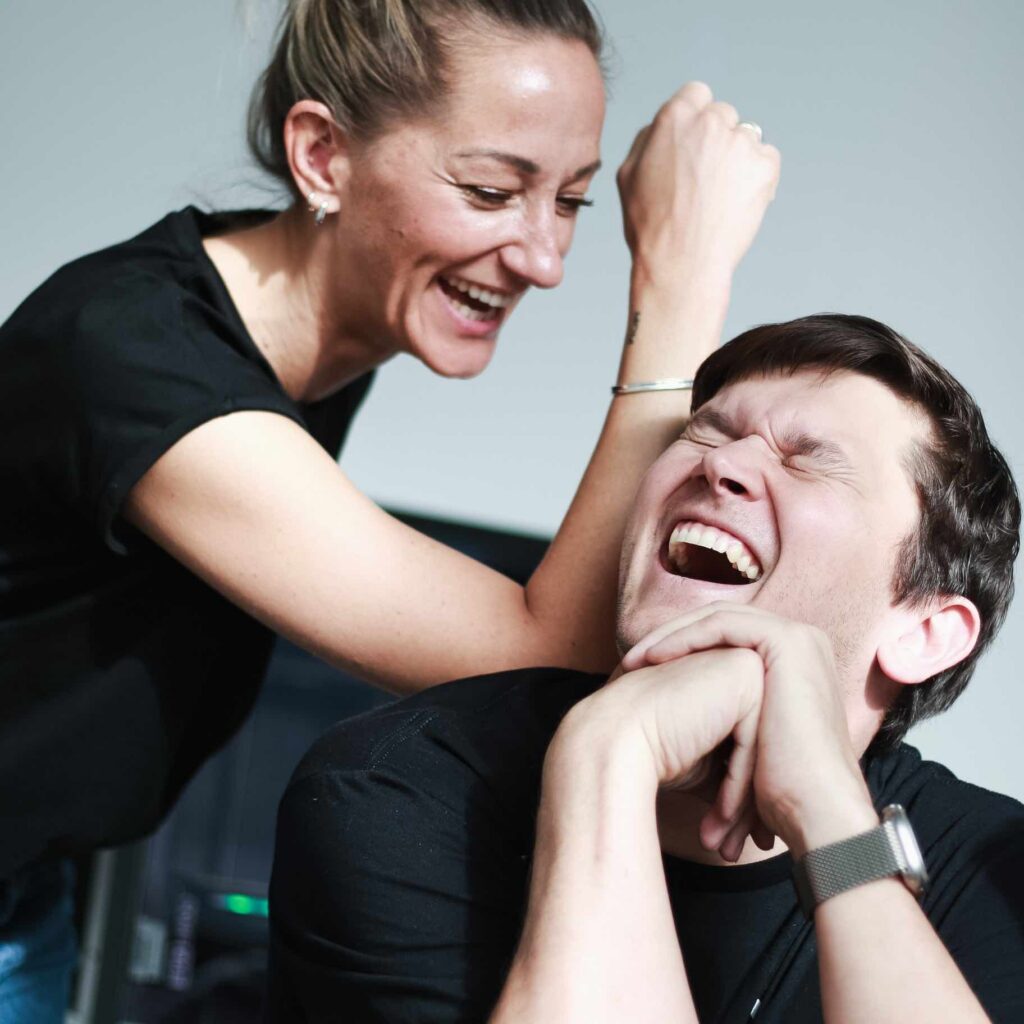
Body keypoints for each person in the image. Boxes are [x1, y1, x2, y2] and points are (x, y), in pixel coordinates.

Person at [0, 0, 781, 1014]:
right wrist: (681, 281)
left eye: (571, 201)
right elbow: (540, 653)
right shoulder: (136, 359)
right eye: (491, 191)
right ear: (322, 155)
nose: (543, 259)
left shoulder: (302, 347)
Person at [266, 314, 1024, 1023]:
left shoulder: (996, 873)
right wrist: (609, 749)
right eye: (707, 432)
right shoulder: (395, 790)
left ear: (925, 632)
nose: (721, 463)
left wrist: (828, 812)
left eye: (807, 461)